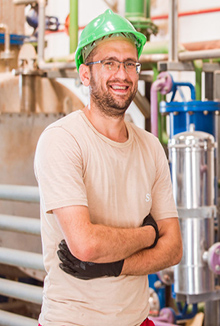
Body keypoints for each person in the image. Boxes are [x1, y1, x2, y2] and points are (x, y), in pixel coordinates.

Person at [34, 9, 182, 326]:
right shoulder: (62, 140)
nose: (123, 74)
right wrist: (148, 234)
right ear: (85, 74)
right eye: (109, 63)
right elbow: (86, 244)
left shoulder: (151, 147)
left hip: (137, 318)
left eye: (130, 63)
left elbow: (173, 249)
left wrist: (113, 265)